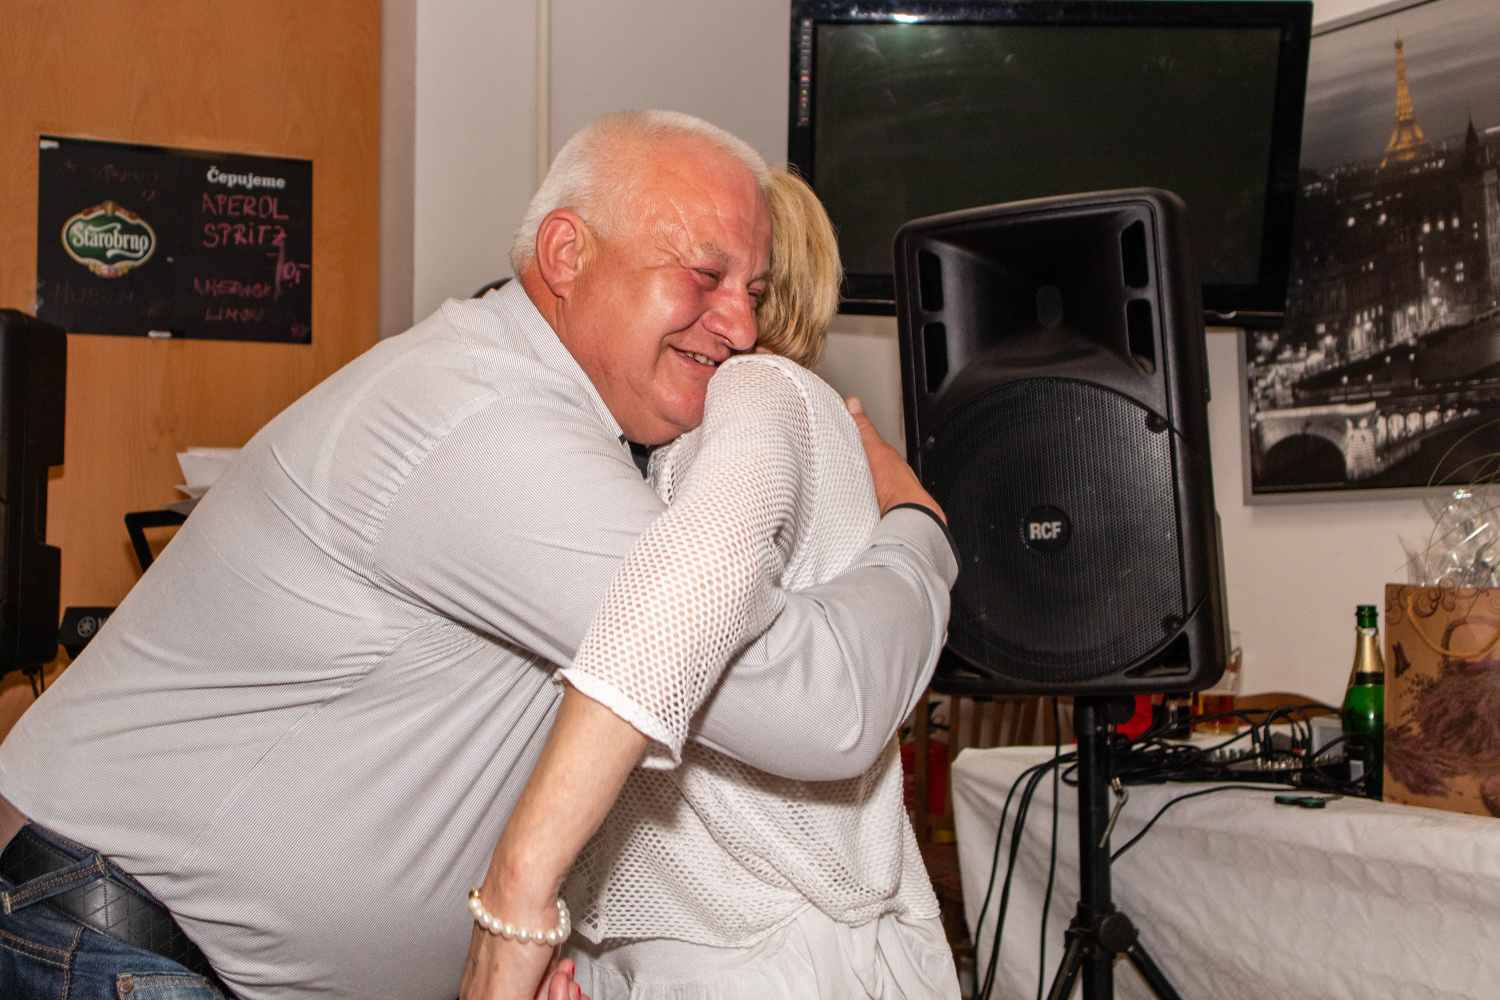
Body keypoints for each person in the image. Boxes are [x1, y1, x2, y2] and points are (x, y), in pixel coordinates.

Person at [0, 110, 956, 1000]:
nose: (741, 327)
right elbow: (815, 705)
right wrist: (917, 531)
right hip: (103, 937)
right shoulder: (489, 421)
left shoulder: (558, 413)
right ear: (567, 254)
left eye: (753, 292)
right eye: (704, 276)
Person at [462, 168, 960, 1000]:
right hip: (756, 937)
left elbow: (704, 572)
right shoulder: (776, 421)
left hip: (755, 949)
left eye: (729, 277)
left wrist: (522, 892)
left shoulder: (755, 390)